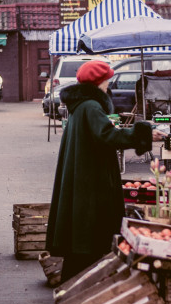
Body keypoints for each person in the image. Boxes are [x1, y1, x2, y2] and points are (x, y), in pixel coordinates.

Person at [47, 60, 163, 282]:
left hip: (84, 175)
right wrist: (144, 134)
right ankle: (80, 287)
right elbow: (107, 136)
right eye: (107, 79)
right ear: (99, 81)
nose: (109, 83)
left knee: (80, 240)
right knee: (89, 236)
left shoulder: (81, 105)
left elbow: (102, 134)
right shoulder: (91, 106)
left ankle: (71, 283)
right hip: (91, 179)